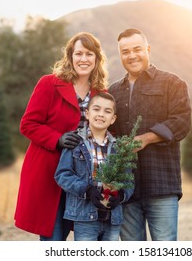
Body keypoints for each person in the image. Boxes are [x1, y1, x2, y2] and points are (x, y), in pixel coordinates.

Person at [14, 32, 108, 240]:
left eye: (89, 54)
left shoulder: (101, 92)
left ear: (97, 59)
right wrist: (57, 139)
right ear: (70, 56)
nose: (84, 59)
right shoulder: (49, 83)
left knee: (87, 239)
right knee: (54, 239)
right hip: (50, 173)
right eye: (79, 53)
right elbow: (28, 124)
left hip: (84, 178)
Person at [108, 28, 192, 241]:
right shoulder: (113, 91)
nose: (132, 55)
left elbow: (181, 122)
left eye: (137, 49)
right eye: (125, 51)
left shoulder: (172, 83)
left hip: (161, 184)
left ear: (148, 49)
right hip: (126, 188)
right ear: (120, 55)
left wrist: (145, 139)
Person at [55, 92, 133, 241]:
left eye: (107, 111)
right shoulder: (75, 143)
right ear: (87, 113)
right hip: (84, 218)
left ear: (113, 119)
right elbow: (62, 175)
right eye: (96, 109)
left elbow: (129, 180)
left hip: (113, 218)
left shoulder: (119, 148)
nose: (101, 114)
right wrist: (87, 190)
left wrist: (122, 195)